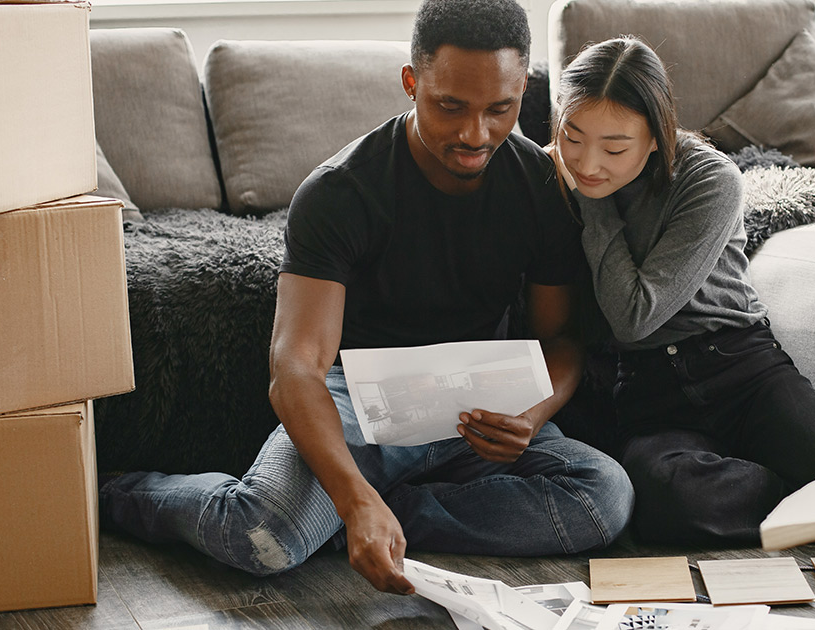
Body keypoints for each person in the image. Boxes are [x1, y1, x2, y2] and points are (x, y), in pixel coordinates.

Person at [99, 0, 634, 594]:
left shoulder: (539, 185)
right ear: (411, 82)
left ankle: (359, 519)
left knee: (603, 498)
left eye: (499, 110)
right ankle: (120, 491)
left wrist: (533, 415)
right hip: (360, 402)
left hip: (479, 401)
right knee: (263, 535)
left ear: (522, 93)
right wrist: (354, 498)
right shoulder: (341, 193)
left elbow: (559, 339)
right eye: (449, 106)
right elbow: (295, 366)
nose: (474, 134)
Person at [547, 37, 815, 545]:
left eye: (614, 148)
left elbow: (636, 312)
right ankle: (807, 498)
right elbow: (624, 332)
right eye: (572, 136)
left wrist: (592, 205)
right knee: (667, 498)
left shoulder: (710, 179)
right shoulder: (549, 175)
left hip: (738, 367)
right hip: (642, 391)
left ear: (657, 136)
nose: (588, 164)